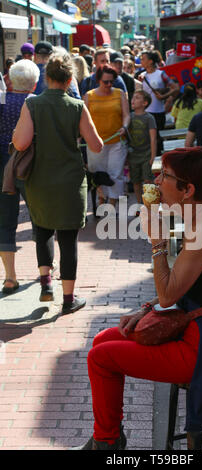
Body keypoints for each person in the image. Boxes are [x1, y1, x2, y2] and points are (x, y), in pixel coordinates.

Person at [73, 146, 202, 450]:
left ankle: (106, 441)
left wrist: (157, 244)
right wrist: (146, 309)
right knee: (102, 340)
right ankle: (109, 434)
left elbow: (169, 295)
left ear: (187, 189)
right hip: (201, 329)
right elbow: (181, 288)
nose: (156, 180)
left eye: (165, 175)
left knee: (100, 357)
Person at [12, 51, 103, 314]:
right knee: (68, 239)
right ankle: (68, 299)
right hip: (70, 182)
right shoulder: (77, 106)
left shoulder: (32, 105)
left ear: (46, 77)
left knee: (42, 230)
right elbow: (96, 146)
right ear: (69, 79)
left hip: (39, 179)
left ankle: (45, 283)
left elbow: (20, 143)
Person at [0, 59, 40, 294]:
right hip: (30, 165)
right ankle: (45, 268)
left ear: (11, 80)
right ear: (34, 83)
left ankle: (10, 277)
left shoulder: (2, 101)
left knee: (5, 221)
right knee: (40, 217)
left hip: (2, 165)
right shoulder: (35, 103)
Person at [84, 64, 130, 209]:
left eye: (112, 81)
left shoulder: (120, 94)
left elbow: (127, 115)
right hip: (95, 143)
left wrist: (124, 127)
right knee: (98, 174)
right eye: (106, 82)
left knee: (115, 174)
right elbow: (83, 119)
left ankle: (112, 204)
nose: (109, 85)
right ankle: (102, 200)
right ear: (98, 80)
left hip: (117, 141)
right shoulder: (89, 96)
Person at [141, 50, 179, 154]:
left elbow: (175, 87)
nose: (141, 61)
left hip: (158, 113)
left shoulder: (161, 74)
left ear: (150, 61)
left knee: (157, 140)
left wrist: (163, 96)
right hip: (145, 113)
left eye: (143, 59)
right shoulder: (142, 75)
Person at [127, 90, 157, 210]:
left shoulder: (149, 118)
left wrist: (153, 156)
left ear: (144, 103)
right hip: (133, 154)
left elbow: (153, 138)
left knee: (148, 180)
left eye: (137, 98)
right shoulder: (129, 116)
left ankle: (150, 205)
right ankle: (140, 204)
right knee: (135, 181)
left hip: (146, 154)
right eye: (133, 97)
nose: (133, 100)